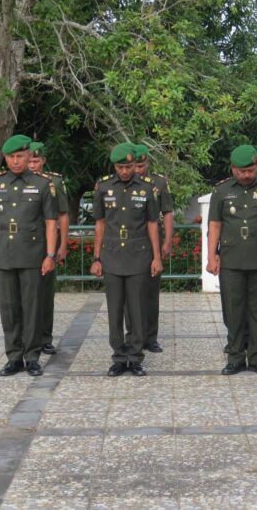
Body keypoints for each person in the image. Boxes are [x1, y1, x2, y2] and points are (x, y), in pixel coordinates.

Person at [207, 144, 257, 376]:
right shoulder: (221, 191)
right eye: (241, 171)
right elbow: (215, 225)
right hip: (231, 259)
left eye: (251, 170)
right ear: (232, 169)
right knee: (233, 309)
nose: (247, 175)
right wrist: (212, 256)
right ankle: (235, 357)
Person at [0, 134, 58, 377]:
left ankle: (32, 356)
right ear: (5, 158)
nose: (15, 161)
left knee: (32, 307)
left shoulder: (43, 184)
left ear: (28, 156)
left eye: (20, 156)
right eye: (11, 157)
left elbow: (50, 222)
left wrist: (50, 254)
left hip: (33, 255)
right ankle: (14, 356)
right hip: (4, 254)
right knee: (9, 308)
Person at [90, 143, 162, 377]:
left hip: (139, 255)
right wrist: (97, 257)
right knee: (114, 309)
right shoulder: (103, 187)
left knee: (137, 308)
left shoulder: (147, 189)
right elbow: (100, 224)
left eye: (129, 166)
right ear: (115, 166)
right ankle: (119, 357)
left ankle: (135, 356)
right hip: (111, 256)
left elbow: (152, 224)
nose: (125, 171)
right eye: (121, 167)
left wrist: (156, 257)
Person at [123, 143, 174, 353]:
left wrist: (167, 240)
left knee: (151, 292)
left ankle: (150, 336)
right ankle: (133, 334)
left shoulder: (158, 183)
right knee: (129, 293)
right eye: (135, 166)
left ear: (147, 164)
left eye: (141, 165)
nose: (138, 170)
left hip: (152, 242)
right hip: (130, 243)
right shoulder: (120, 183)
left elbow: (168, 212)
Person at [28, 141, 70, 354]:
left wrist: (62, 245)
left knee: (45, 293)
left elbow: (62, 214)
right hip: (25, 244)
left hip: (47, 244)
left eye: (36, 161)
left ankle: (45, 337)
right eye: (30, 160)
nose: (32, 165)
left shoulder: (53, 182)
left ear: (43, 161)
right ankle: (27, 337)